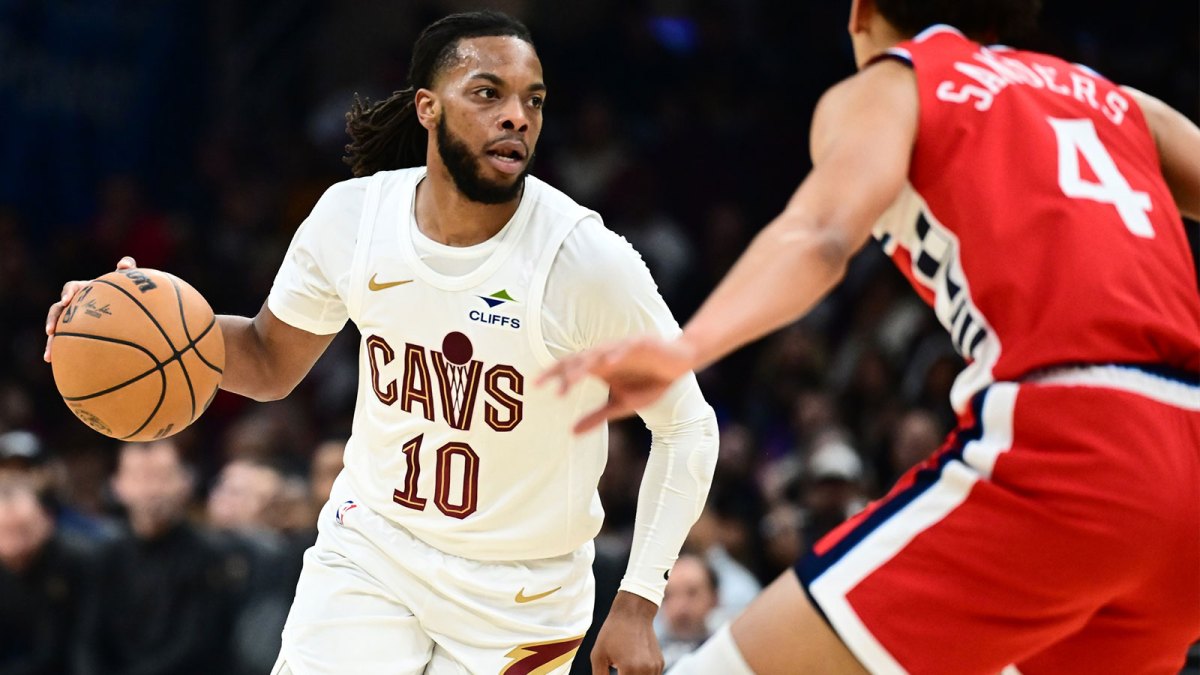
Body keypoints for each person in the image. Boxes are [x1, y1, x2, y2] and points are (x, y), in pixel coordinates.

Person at [46, 11, 718, 675]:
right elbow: (267, 358)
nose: (518, 115)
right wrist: (126, 322)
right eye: (488, 93)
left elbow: (686, 424)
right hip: (374, 548)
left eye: (532, 100)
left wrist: (636, 600)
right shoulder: (352, 217)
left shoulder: (584, 260)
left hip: (521, 593)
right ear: (428, 107)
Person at [542, 0, 1200, 672]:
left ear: (860, 13)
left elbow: (822, 236)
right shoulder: (1113, 98)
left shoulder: (898, 80)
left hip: (1069, 447)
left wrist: (689, 346)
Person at [76, 440, 234, 675]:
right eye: (139, 477)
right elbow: (86, 641)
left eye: (162, 477)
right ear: (117, 485)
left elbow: (197, 645)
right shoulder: (104, 556)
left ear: (185, 482)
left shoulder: (209, 554)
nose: (151, 490)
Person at [657, 554, 719, 669]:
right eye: (668, 595)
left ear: (715, 598)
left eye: (692, 593)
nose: (679, 607)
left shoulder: (726, 652)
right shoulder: (644, 658)